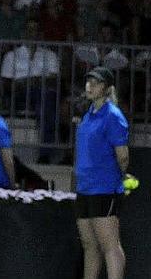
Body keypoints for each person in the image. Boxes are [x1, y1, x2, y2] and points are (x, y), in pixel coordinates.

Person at [75, 66, 129, 279]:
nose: (89, 86)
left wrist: (118, 178)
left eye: (96, 83)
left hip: (104, 188)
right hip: (84, 188)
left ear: (106, 89)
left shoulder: (113, 116)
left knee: (110, 245)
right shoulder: (87, 116)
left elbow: (123, 156)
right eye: (88, 81)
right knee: (89, 245)